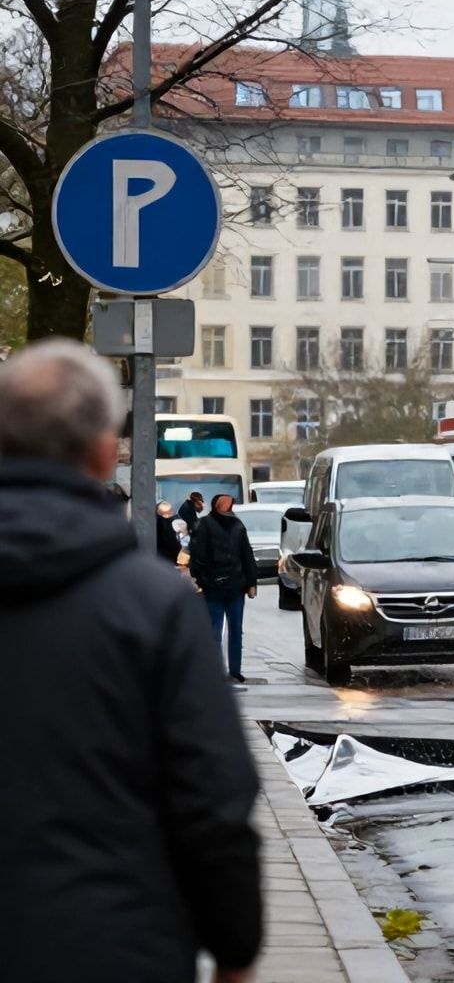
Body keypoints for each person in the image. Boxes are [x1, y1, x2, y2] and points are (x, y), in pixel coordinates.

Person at [0, 339, 261, 983]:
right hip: (116, 943)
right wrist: (234, 950)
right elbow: (212, 798)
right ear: (103, 450)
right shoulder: (153, 604)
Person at [188, 493, 259, 683]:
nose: (229, 506)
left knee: (235, 630)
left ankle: (234, 671)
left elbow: (246, 554)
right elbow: (197, 555)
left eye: (230, 503)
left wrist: (251, 582)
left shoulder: (237, 525)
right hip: (214, 587)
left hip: (235, 586)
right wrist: (202, 580)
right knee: (214, 631)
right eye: (225, 503)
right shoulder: (204, 525)